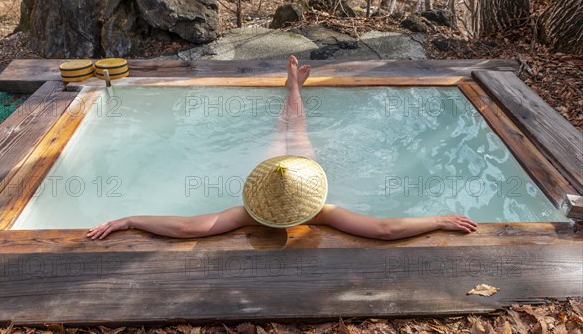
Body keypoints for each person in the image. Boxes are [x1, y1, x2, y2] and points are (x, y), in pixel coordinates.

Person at [87, 56, 477, 241]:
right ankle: (292, 89)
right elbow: (383, 228)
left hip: (276, 168)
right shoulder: (323, 211)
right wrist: (437, 219)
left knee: (285, 130)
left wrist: (131, 219)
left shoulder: (247, 214)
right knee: (295, 129)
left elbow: (188, 227)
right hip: (293, 168)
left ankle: (293, 88)